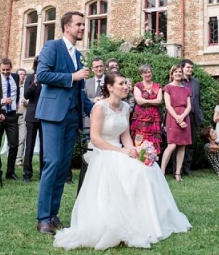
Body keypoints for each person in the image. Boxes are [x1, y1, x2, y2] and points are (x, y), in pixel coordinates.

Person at [53, 72, 190, 250]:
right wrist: (122, 151)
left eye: (126, 83)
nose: (126, 86)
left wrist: (133, 150)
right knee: (129, 170)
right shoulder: (100, 107)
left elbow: (125, 135)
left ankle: (146, 219)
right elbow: (95, 139)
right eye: (121, 83)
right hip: (103, 150)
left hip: (121, 148)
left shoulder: (125, 107)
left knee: (147, 167)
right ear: (110, 87)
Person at [34, 11, 93, 235]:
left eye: (83, 25)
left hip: (72, 118)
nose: (82, 28)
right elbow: (43, 74)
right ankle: (42, 218)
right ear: (67, 27)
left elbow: (80, 93)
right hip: (52, 115)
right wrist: (72, 77)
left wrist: (99, 109)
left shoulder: (77, 55)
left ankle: (53, 215)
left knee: (63, 166)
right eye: (79, 24)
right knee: (53, 162)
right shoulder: (52, 46)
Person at [160, 64, 192, 181]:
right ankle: (162, 172)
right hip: (172, 118)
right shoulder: (167, 88)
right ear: (172, 74)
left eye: (179, 72)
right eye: (175, 72)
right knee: (172, 145)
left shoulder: (186, 89)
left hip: (184, 117)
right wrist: (178, 118)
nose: (178, 73)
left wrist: (183, 117)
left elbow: (189, 106)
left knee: (182, 146)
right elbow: (168, 105)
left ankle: (178, 173)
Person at [130, 64, 162, 153]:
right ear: (141, 74)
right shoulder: (138, 85)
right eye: (145, 73)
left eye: (149, 72)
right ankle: (138, 159)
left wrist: (146, 101)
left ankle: (151, 159)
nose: (147, 74)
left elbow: (159, 101)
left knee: (153, 140)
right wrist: (153, 102)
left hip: (153, 119)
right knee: (139, 139)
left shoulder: (157, 86)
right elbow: (139, 101)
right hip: (140, 119)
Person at [179, 59, 204, 176]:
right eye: (188, 67)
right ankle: (177, 169)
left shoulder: (196, 82)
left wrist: (200, 113)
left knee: (190, 144)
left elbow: (199, 100)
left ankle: (187, 168)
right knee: (179, 143)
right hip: (181, 116)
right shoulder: (178, 81)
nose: (190, 69)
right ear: (182, 68)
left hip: (194, 116)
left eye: (191, 68)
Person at [22, 57, 42, 182]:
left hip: (46, 115)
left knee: (45, 146)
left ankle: (43, 172)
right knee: (29, 144)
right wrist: (34, 84)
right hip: (32, 115)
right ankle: (27, 174)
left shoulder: (48, 78)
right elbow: (26, 95)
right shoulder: (30, 78)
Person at [16, 67, 28, 169]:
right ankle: (11, 157)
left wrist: (26, 102)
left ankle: (19, 160)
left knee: (22, 138)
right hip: (12, 115)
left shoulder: (27, 87)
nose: (22, 76)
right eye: (20, 74)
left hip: (23, 115)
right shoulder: (12, 86)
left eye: (24, 74)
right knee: (12, 138)